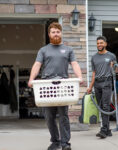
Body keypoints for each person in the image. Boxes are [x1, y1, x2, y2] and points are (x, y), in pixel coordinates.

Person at [28, 22, 83, 150]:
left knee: (63, 116)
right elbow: (37, 65)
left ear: (61, 33)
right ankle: (55, 141)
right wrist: (31, 79)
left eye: (58, 32)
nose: (56, 34)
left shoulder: (68, 50)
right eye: (53, 32)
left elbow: (74, 64)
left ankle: (65, 143)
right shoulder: (43, 50)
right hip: (47, 87)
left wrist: (80, 77)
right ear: (49, 34)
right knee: (49, 117)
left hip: (63, 86)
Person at [87, 36, 116, 139]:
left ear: (105, 44)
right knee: (100, 106)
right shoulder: (94, 57)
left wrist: (114, 67)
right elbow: (94, 73)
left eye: (101, 43)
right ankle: (107, 130)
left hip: (107, 82)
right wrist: (90, 87)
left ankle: (103, 130)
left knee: (105, 106)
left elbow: (117, 72)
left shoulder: (111, 56)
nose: (99, 45)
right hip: (97, 84)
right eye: (98, 43)